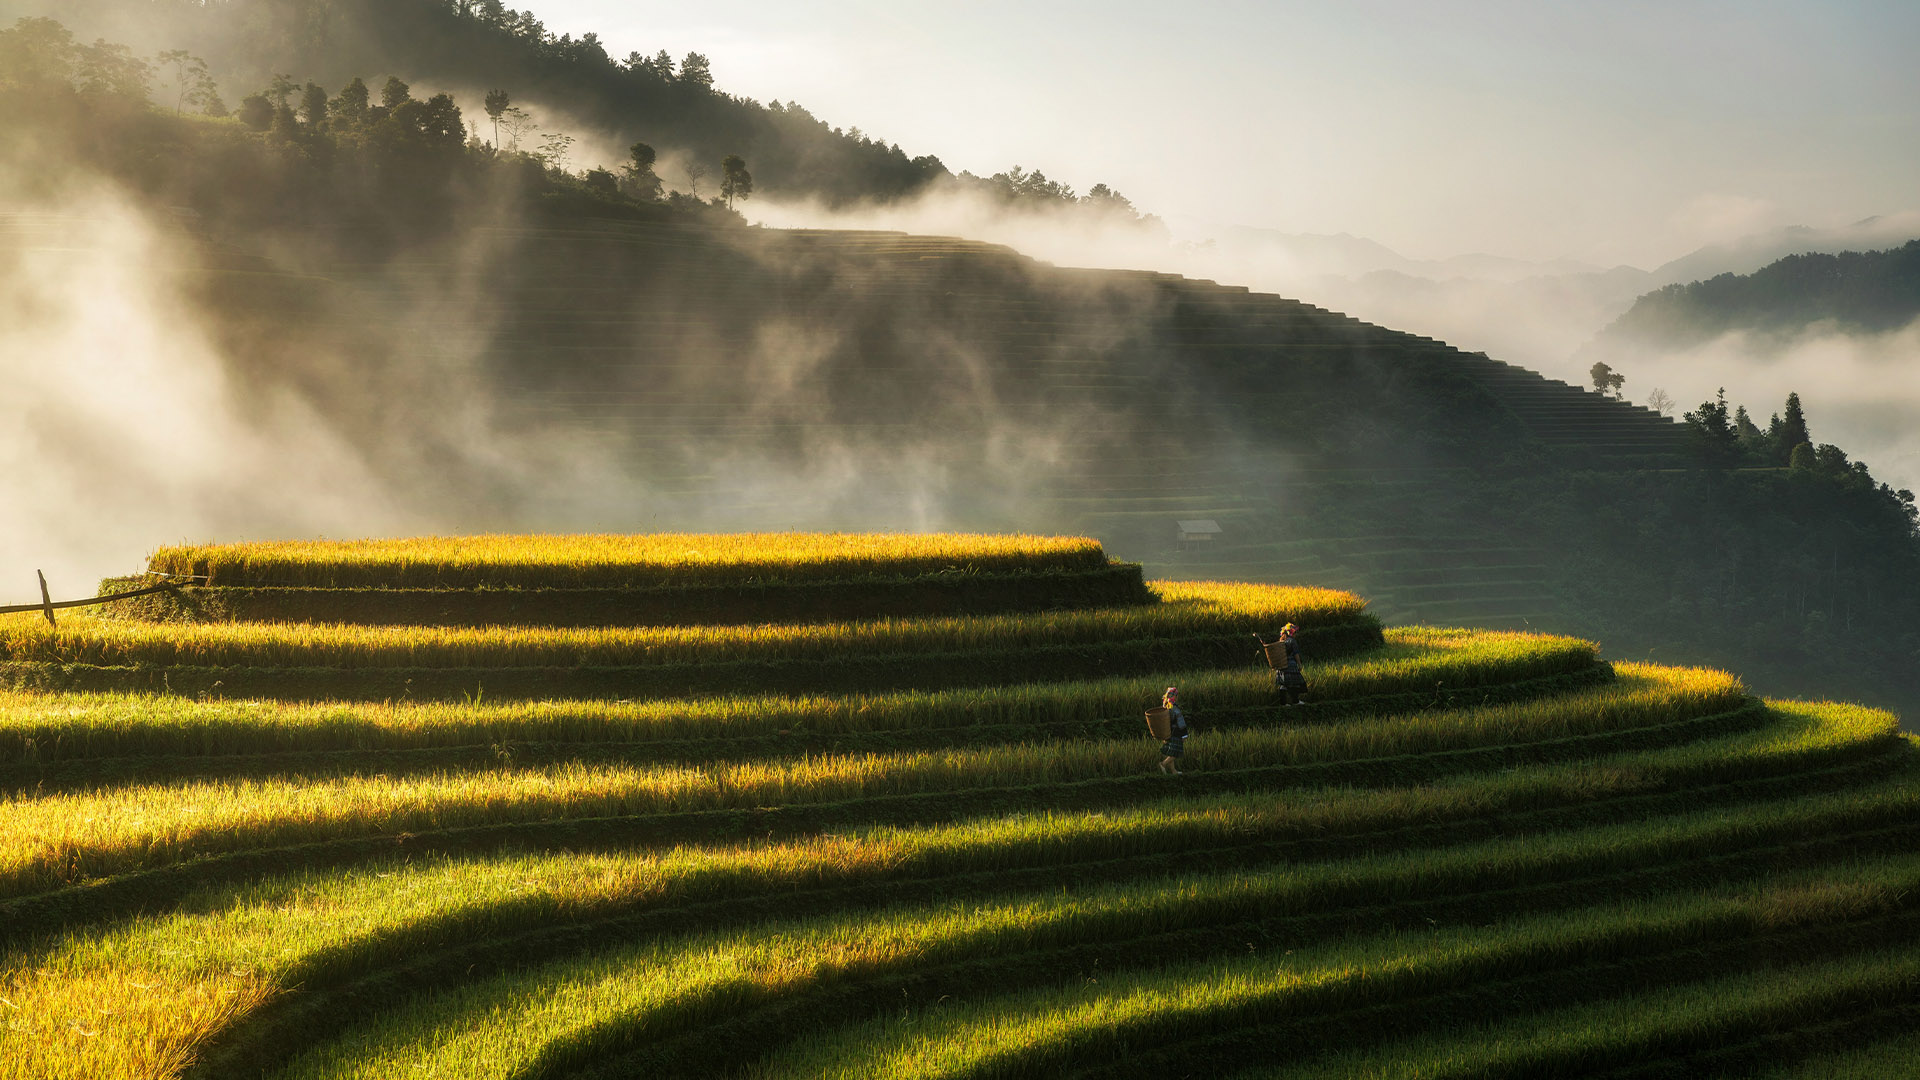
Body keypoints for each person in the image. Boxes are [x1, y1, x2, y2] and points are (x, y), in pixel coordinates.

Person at [1261, 623, 1308, 706]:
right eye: (1295, 632)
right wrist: (1299, 664)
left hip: (1281, 665)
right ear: (1291, 632)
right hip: (1290, 665)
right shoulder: (1292, 641)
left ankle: (1283, 703)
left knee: (1283, 684)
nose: (1296, 634)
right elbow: (1296, 653)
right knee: (1294, 683)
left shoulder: (1281, 641)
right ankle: (1295, 701)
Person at [1158, 686, 1189, 774]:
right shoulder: (1174, 708)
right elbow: (1181, 722)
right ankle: (1163, 764)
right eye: (1176, 695)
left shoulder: (1166, 706)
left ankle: (1173, 771)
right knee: (1175, 752)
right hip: (1176, 732)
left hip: (1168, 732)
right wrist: (1184, 734)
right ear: (1174, 696)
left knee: (1171, 751)